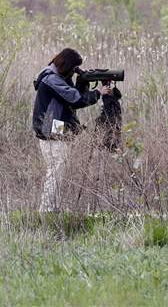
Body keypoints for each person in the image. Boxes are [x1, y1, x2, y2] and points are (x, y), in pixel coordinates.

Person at [31, 47, 112, 212]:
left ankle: (51, 209)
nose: (75, 72)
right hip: (51, 132)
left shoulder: (56, 75)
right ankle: (46, 210)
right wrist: (98, 92)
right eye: (74, 68)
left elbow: (72, 96)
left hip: (53, 128)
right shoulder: (51, 80)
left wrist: (82, 82)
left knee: (57, 172)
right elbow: (75, 100)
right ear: (67, 65)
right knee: (56, 172)